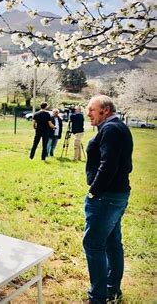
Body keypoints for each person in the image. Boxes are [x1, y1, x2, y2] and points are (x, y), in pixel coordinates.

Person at [83, 95, 133, 303]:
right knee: (112, 242)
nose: (88, 113)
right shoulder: (116, 126)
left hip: (106, 197)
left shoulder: (111, 129)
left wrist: (94, 191)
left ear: (105, 109)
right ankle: (112, 290)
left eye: (91, 109)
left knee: (93, 244)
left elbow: (108, 165)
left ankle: (98, 297)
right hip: (117, 194)